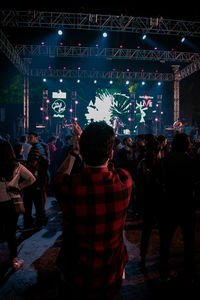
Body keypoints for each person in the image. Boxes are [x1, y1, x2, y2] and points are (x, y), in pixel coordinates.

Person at [52, 121, 133, 300]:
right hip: (111, 270)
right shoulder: (124, 181)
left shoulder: (68, 187)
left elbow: (59, 176)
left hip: (77, 272)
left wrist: (75, 150)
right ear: (111, 153)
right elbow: (108, 168)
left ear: (82, 152)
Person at [158, 132, 200, 281]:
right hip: (186, 204)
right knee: (189, 240)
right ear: (187, 144)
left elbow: (160, 182)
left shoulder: (165, 161)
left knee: (165, 240)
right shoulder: (192, 161)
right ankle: (189, 271)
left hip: (169, 204)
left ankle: (163, 271)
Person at [0, 139, 36, 270]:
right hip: (12, 203)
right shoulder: (17, 166)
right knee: (11, 232)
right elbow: (32, 178)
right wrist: (19, 187)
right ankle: (14, 260)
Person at [23, 132, 49, 230]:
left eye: (31, 137)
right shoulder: (40, 147)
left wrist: (24, 164)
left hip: (34, 179)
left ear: (36, 137)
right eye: (28, 138)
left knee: (30, 201)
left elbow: (33, 163)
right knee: (39, 200)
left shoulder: (36, 148)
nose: (29, 139)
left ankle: (35, 222)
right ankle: (39, 220)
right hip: (39, 178)